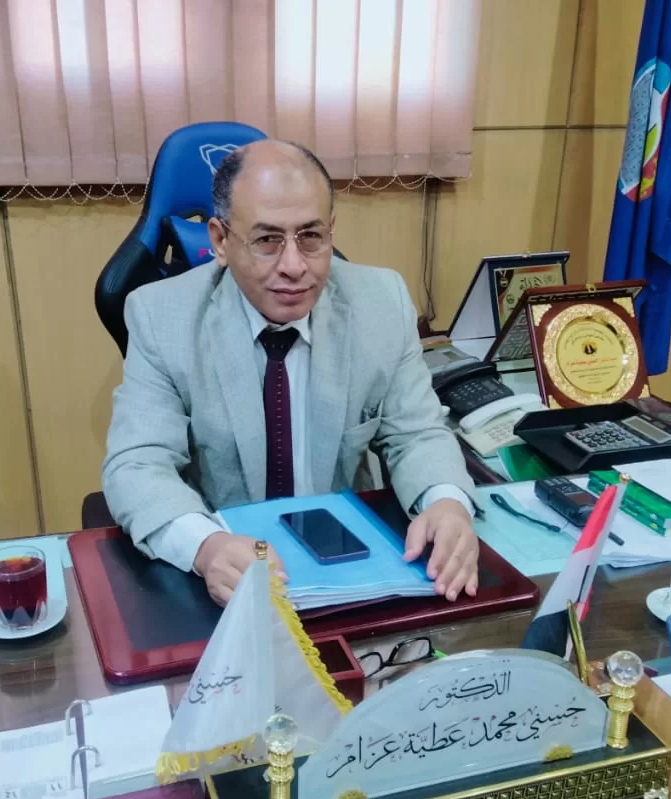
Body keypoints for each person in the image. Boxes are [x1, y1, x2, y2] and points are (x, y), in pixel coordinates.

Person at [102, 139, 479, 605]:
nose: (295, 266)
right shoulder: (162, 317)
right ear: (220, 241)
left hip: (347, 563)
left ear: (331, 230)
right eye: (267, 241)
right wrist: (206, 547)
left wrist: (446, 503)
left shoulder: (382, 303)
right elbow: (138, 464)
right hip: (226, 572)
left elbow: (417, 435)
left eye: (311, 236)